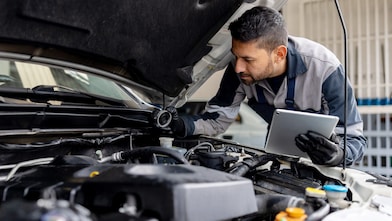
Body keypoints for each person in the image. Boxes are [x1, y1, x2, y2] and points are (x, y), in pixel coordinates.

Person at [168, 6, 366, 166]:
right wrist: (181, 124)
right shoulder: (239, 69)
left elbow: (355, 140)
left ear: (279, 54)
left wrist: (338, 156)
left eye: (247, 59)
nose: (238, 67)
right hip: (276, 163)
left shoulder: (325, 69)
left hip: (323, 172)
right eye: (236, 56)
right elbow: (217, 119)